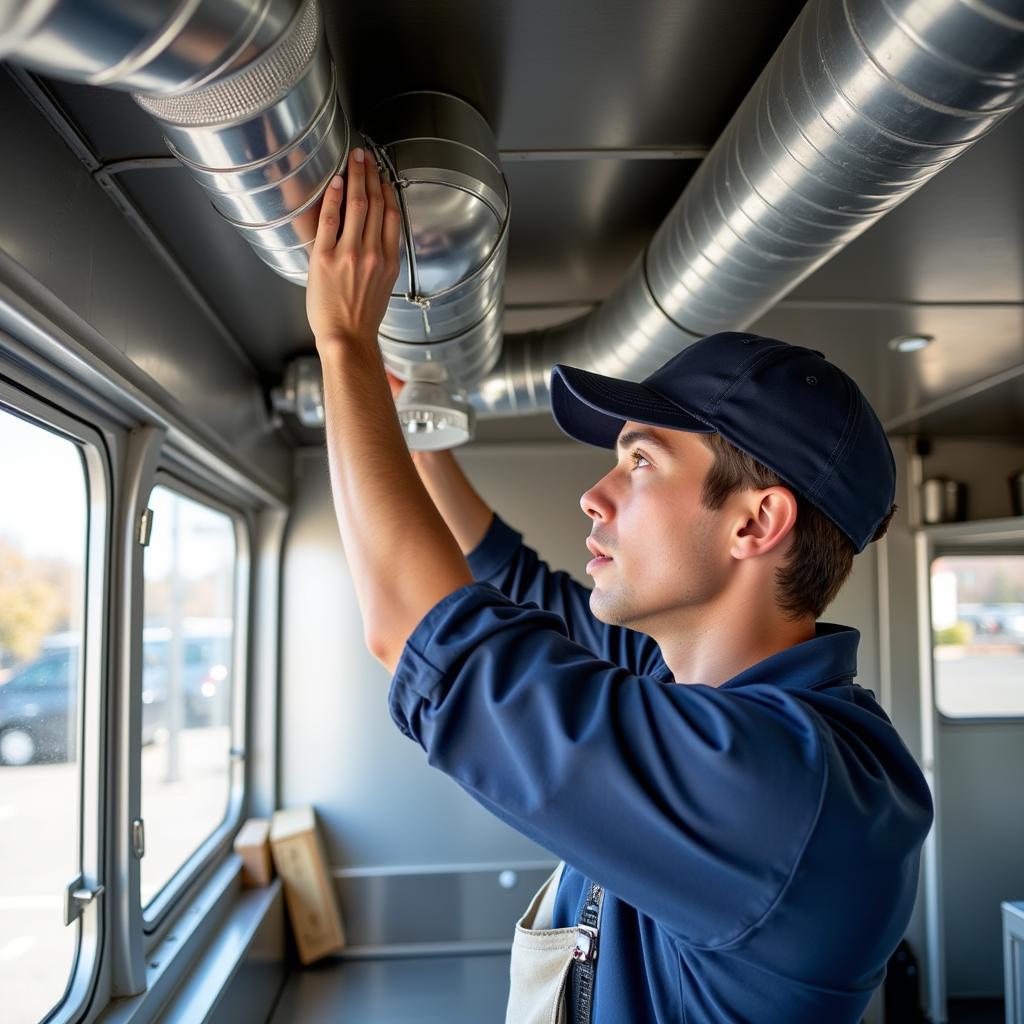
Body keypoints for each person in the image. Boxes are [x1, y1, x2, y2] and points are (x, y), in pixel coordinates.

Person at [307, 146, 934, 1023]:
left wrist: (340, 341)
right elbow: (515, 590)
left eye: (639, 462)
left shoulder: (777, 790)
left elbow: (422, 636)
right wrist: (416, 442)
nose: (593, 495)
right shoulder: (699, 696)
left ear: (755, 523)